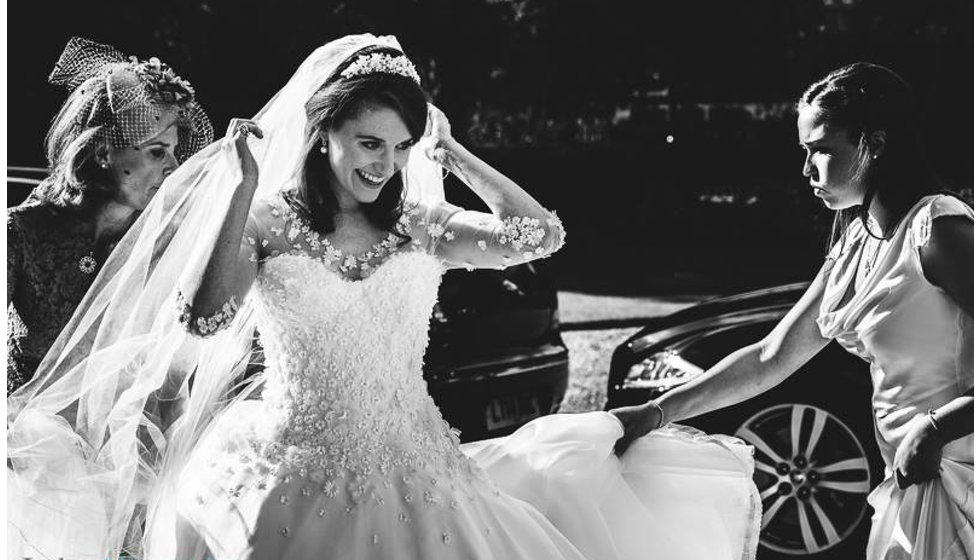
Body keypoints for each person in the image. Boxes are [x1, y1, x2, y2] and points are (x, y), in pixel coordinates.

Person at [8, 35, 760, 560]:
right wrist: (240, 188)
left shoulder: (419, 225)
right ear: (324, 132)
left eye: (399, 147)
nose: (386, 163)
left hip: (417, 470)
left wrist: (454, 154)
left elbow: (541, 235)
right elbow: (206, 318)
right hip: (283, 474)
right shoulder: (268, 224)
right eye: (371, 143)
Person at [612, 62, 973, 560]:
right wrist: (655, 412)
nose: (807, 170)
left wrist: (934, 430)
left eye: (821, 150)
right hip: (909, 477)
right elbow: (770, 357)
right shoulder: (855, 244)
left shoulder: (941, 231)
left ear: (876, 144)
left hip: (960, 474)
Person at [7, 36, 213, 394]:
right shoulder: (22, 232)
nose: (174, 167)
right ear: (104, 152)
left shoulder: (168, 241)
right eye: (156, 152)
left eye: (174, 152)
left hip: (117, 440)